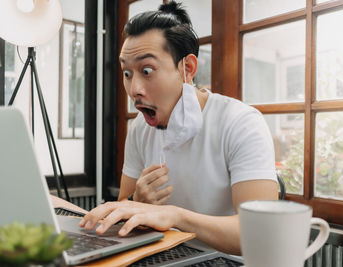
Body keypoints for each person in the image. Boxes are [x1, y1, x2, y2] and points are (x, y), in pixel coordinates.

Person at [79, 1, 277, 255]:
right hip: (161, 256)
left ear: (188, 68)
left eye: (147, 70)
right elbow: (124, 207)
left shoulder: (241, 123)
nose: (134, 89)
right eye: (127, 73)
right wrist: (137, 201)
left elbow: (260, 234)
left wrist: (174, 216)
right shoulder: (140, 128)